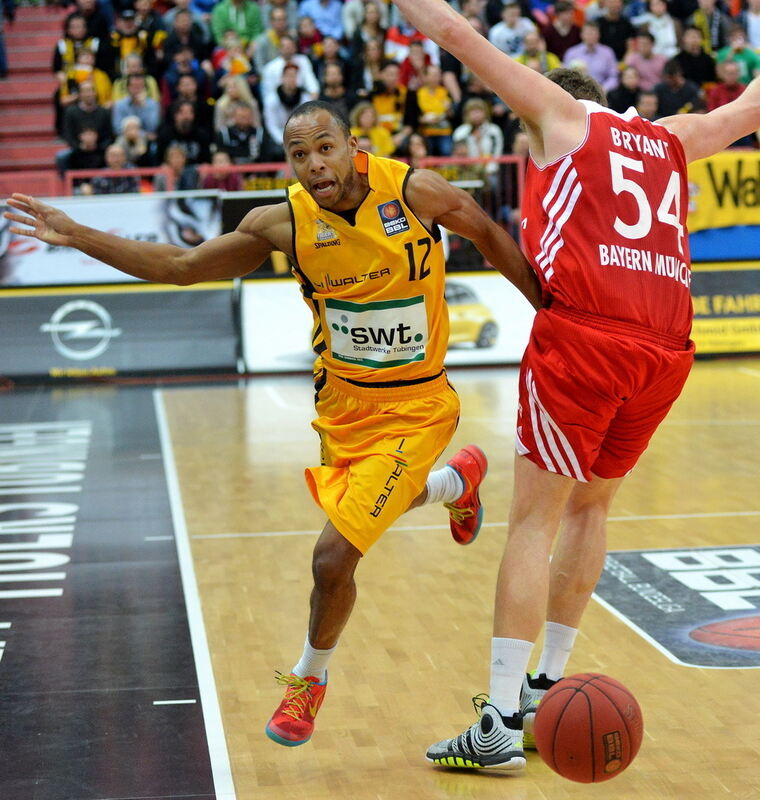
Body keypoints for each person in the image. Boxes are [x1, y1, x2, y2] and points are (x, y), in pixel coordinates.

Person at [5, 99, 540, 749]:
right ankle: (456, 484)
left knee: (332, 556)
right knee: (367, 514)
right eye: (299, 154)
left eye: (325, 148)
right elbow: (180, 269)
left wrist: (552, 313)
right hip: (343, 416)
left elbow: (487, 233)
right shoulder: (283, 224)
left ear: (352, 145)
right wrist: (79, 233)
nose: (315, 164)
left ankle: (308, 680)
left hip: (419, 408)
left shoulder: (416, 191)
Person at [393, 0, 760, 771]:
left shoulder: (558, 117)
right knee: (592, 505)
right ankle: (548, 685)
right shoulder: (669, 137)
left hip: (587, 336)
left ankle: (499, 723)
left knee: (532, 524)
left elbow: (452, 33)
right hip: (666, 345)